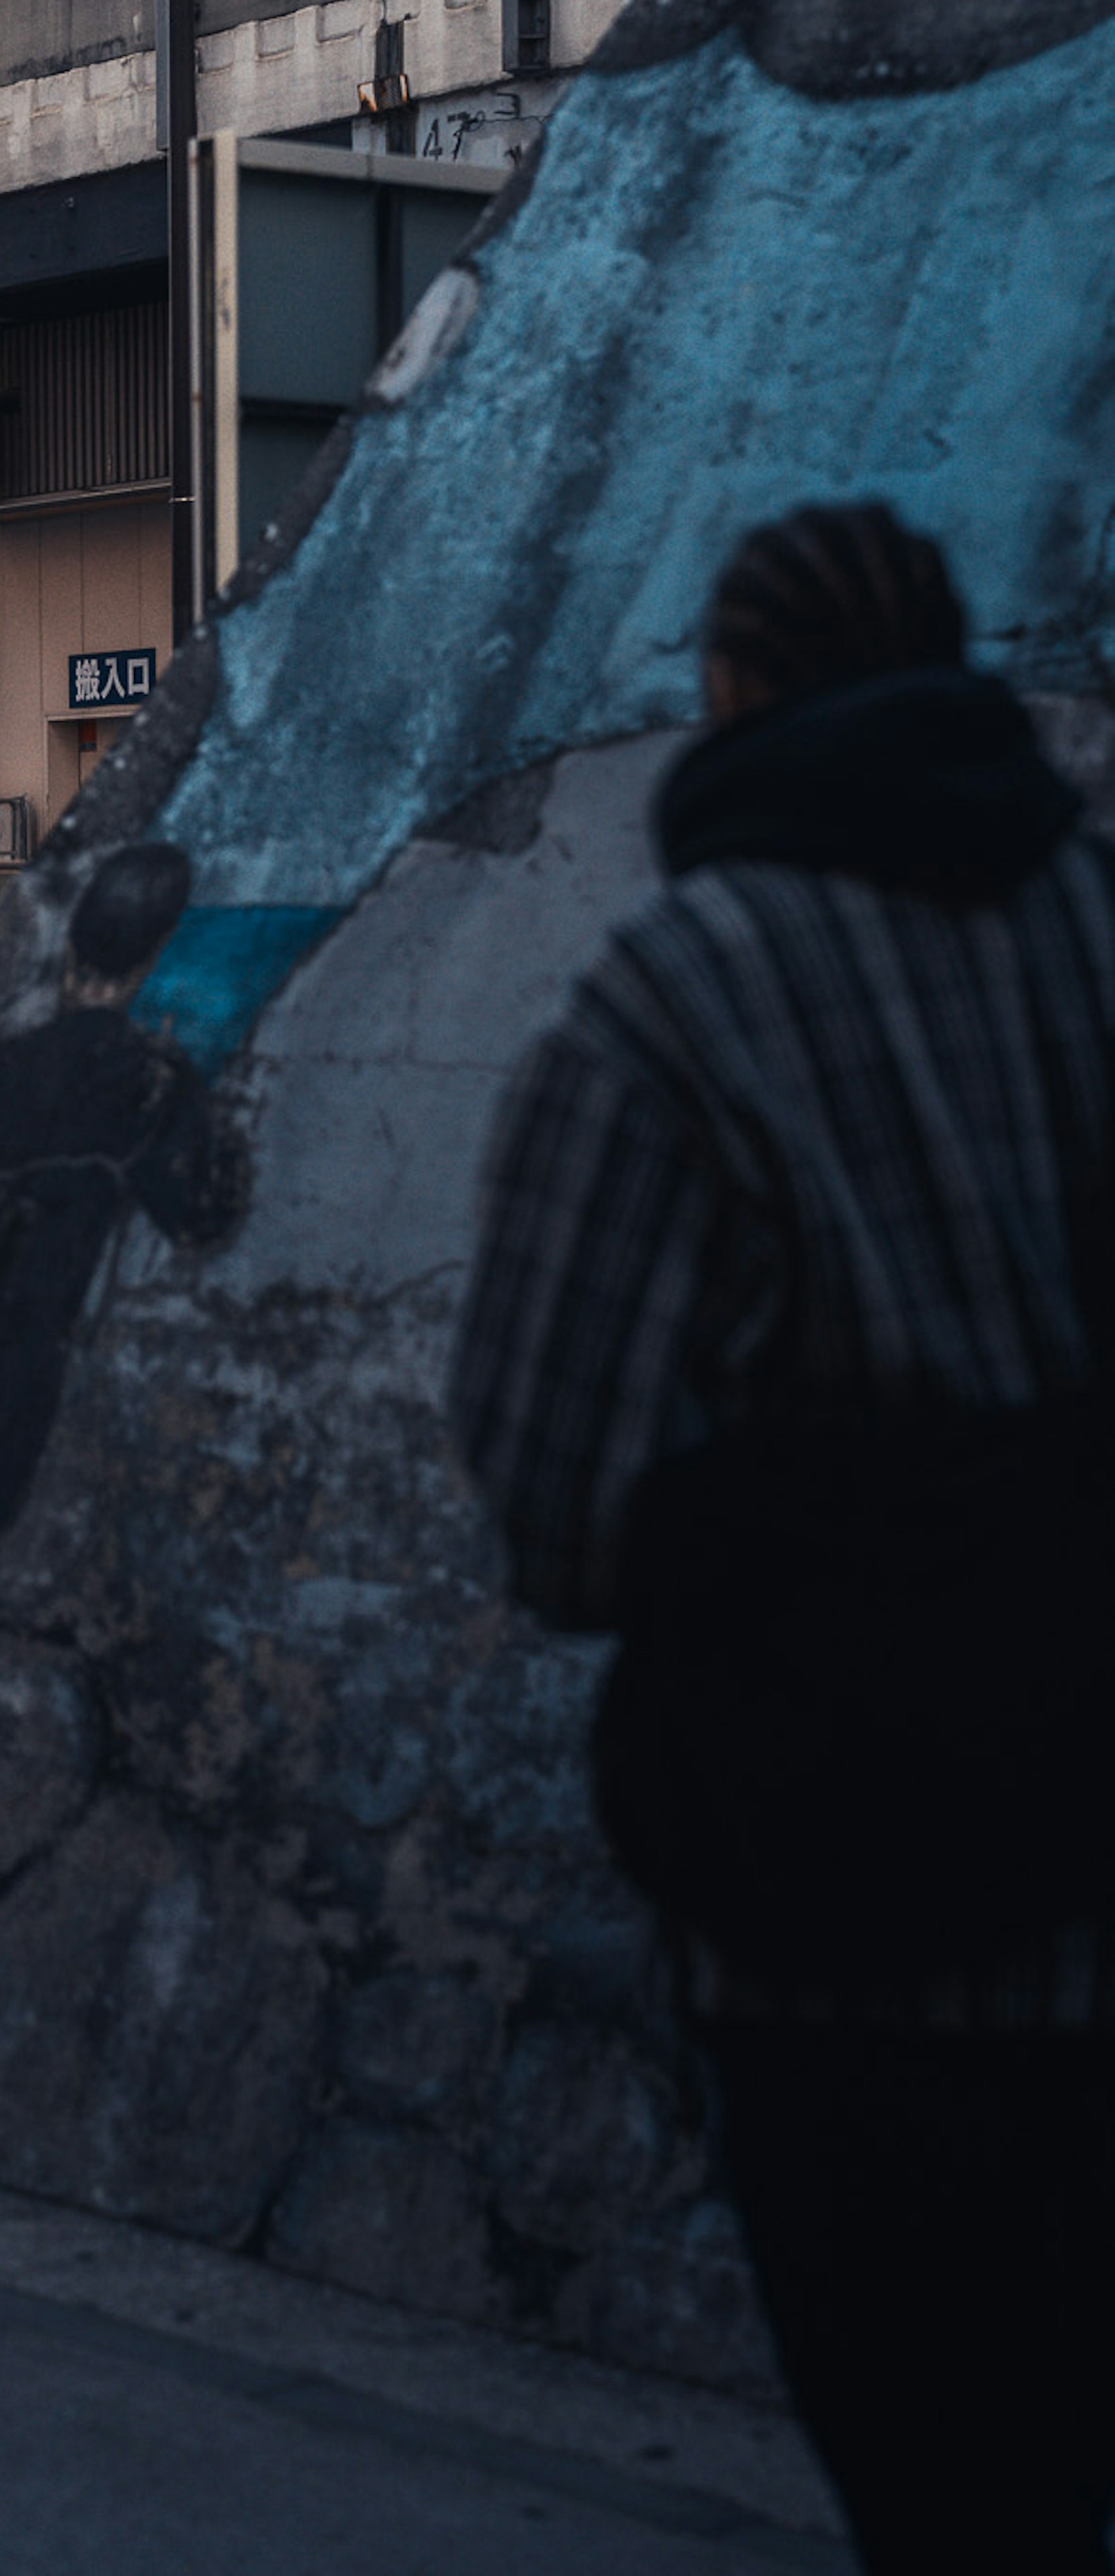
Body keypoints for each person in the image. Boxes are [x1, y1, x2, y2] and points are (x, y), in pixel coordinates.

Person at [451, 503, 1115, 2576]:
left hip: (855, 1909)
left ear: (729, 700)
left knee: (945, 2486)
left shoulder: (676, 1003)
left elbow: (554, 1498)